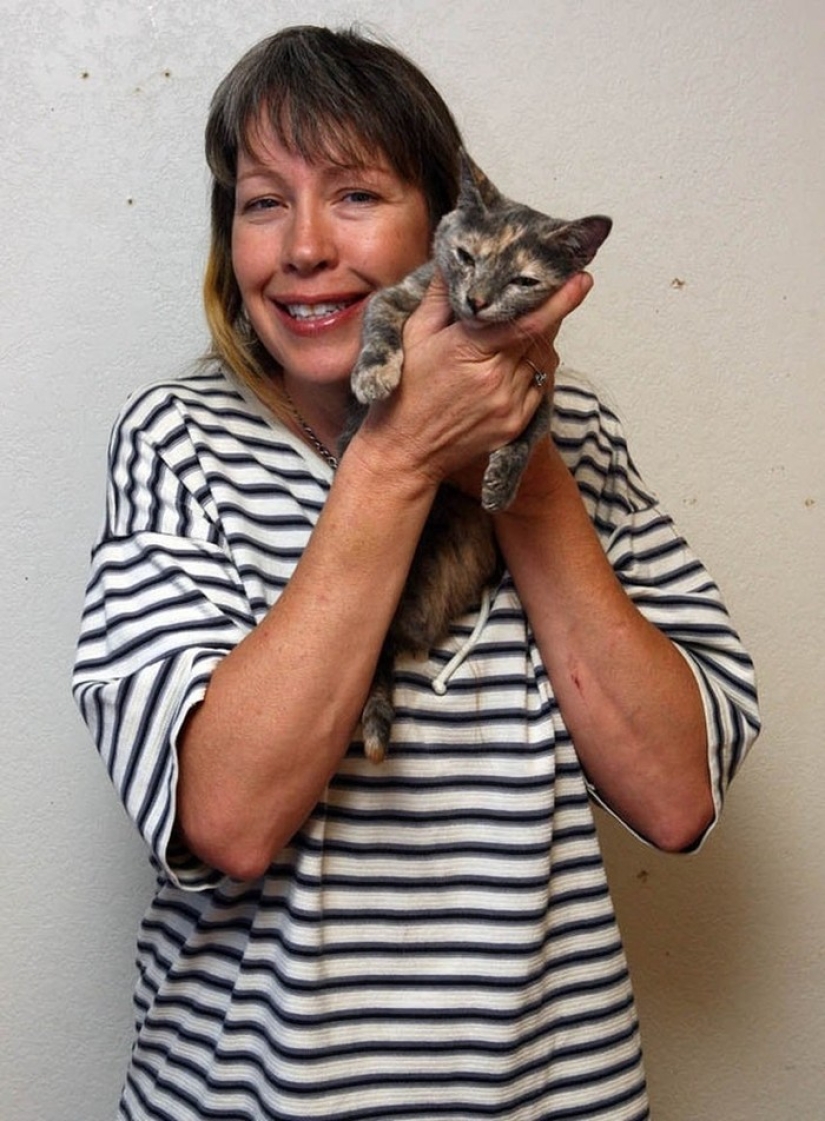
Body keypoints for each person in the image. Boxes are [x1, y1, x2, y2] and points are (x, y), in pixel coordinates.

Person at [73, 24, 760, 1121]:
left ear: (447, 226)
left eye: (355, 194)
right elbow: (229, 820)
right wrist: (395, 459)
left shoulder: (579, 435)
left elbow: (676, 795)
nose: (303, 246)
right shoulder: (176, 441)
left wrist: (518, 459)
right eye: (261, 201)